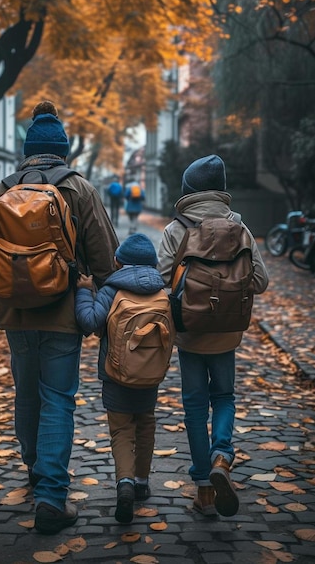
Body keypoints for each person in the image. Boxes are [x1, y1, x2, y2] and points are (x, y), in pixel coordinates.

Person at [0, 100, 119, 535]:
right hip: (62, 314)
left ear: (27, 151)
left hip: (15, 315)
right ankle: (53, 495)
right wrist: (107, 307)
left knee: (27, 394)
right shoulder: (80, 189)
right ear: (64, 151)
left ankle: (36, 469)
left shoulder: (1, 191)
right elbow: (106, 259)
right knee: (58, 397)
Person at [157, 154, 269, 518]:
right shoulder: (241, 228)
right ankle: (222, 456)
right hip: (227, 334)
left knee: (193, 406)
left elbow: (159, 280)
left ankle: (204, 489)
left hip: (190, 335)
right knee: (224, 396)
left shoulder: (177, 228)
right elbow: (261, 281)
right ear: (221, 190)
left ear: (188, 188)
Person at [75, 233, 166, 524]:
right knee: (145, 424)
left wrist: (84, 291)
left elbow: (89, 323)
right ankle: (141, 481)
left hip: (115, 374)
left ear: (117, 262)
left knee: (122, 431)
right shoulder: (163, 291)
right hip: (150, 374)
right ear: (153, 264)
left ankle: (124, 483)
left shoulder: (111, 290)